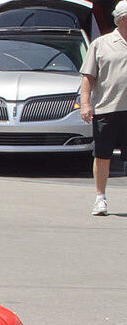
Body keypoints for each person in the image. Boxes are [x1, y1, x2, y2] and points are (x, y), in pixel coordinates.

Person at [80, 0, 127, 216]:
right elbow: (88, 78)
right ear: (123, 18)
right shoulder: (101, 44)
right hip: (108, 109)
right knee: (103, 156)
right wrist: (86, 104)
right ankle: (100, 199)